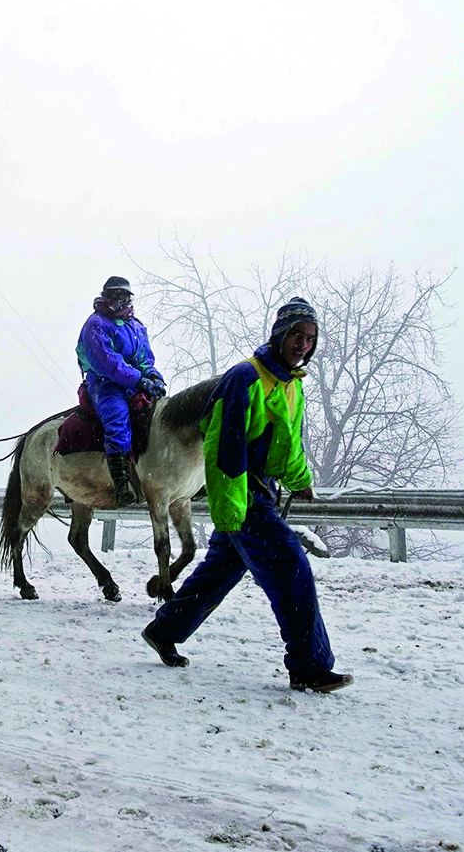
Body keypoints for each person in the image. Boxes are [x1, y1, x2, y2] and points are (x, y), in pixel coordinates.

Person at [142, 297, 352, 693]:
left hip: (262, 492)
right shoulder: (245, 377)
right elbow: (224, 448)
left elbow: (288, 446)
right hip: (242, 495)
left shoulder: (291, 385)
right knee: (292, 567)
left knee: (219, 572)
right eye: (296, 335)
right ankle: (309, 667)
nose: (303, 344)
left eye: (310, 337)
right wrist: (231, 509)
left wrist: (299, 480)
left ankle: (163, 629)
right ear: (279, 334)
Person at [75, 275, 165, 507]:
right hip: (105, 383)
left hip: (134, 381)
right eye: (116, 296)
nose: (121, 301)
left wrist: (153, 376)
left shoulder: (135, 326)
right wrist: (138, 380)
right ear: (106, 297)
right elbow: (107, 362)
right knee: (117, 418)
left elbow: (144, 358)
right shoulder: (96, 324)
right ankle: (122, 484)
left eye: (124, 296)